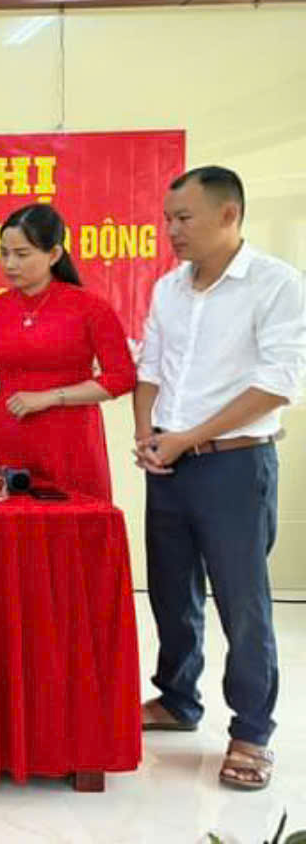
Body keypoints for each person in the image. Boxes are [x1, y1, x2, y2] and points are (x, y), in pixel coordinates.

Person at [134, 166, 305, 792]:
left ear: (229, 214)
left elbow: (278, 384)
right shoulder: (168, 289)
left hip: (235, 464)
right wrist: (148, 434)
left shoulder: (275, 284)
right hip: (169, 463)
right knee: (170, 591)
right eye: (167, 219)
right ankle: (178, 698)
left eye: (184, 218)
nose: (172, 230)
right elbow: (150, 368)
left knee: (243, 602)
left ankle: (252, 731)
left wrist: (191, 436)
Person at [0, 204, 135, 499]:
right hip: (9, 441)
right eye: (4, 253)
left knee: (73, 520)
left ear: (53, 254)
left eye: (21, 254)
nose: (9, 264)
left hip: (70, 442)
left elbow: (122, 377)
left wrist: (50, 397)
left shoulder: (90, 307)